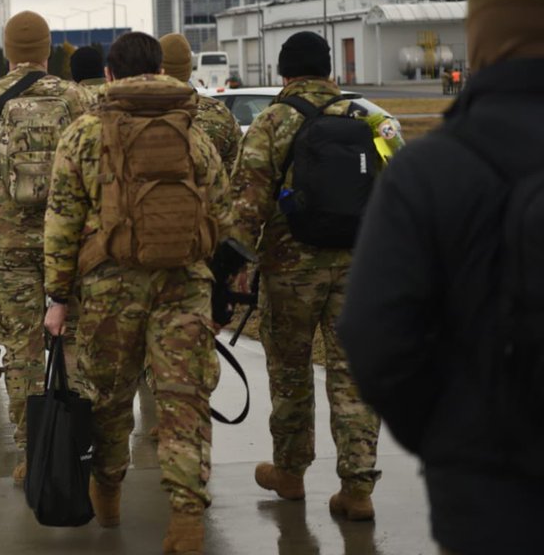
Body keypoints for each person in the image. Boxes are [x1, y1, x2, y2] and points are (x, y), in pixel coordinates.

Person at [340, 0, 544, 555]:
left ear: (480, 33)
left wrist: (454, 439)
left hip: (491, 496)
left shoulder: (430, 170)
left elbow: (376, 339)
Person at [43, 31, 229, 552]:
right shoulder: (194, 130)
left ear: (108, 75)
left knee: (108, 398)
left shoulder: (84, 132)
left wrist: (58, 297)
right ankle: (188, 520)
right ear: (165, 71)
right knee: (183, 399)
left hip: (108, 286)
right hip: (185, 282)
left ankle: (108, 490)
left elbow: (61, 221)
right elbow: (222, 210)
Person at [227, 31, 381, 519]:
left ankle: (290, 473)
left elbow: (247, 204)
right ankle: (357, 489)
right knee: (353, 373)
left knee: (291, 372)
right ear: (329, 69)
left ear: (284, 73)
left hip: (291, 270)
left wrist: (233, 272)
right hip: (358, 266)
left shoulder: (272, 121)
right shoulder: (368, 117)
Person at [0, 10, 87, 484]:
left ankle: (33, 454)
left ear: (7, 52)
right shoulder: (78, 100)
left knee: (22, 349)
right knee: (75, 344)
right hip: (71, 244)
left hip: (5, 244)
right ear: (48, 52)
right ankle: (80, 447)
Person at [160, 33, 242, 168]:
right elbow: (239, 167)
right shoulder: (219, 113)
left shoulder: (142, 113)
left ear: (159, 69)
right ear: (189, 68)